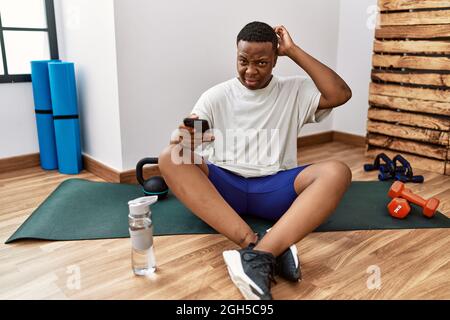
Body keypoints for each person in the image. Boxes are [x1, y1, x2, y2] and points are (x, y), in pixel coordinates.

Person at [158, 21, 352, 300]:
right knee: (169, 156)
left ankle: (259, 255)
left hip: (275, 188)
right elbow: (183, 140)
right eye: (243, 61)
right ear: (235, 56)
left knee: (338, 171)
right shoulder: (216, 95)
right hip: (225, 188)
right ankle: (257, 245)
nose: (250, 70)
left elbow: (340, 94)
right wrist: (184, 139)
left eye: (261, 62)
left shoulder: (294, 90)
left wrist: (294, 50)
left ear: (275, 60)